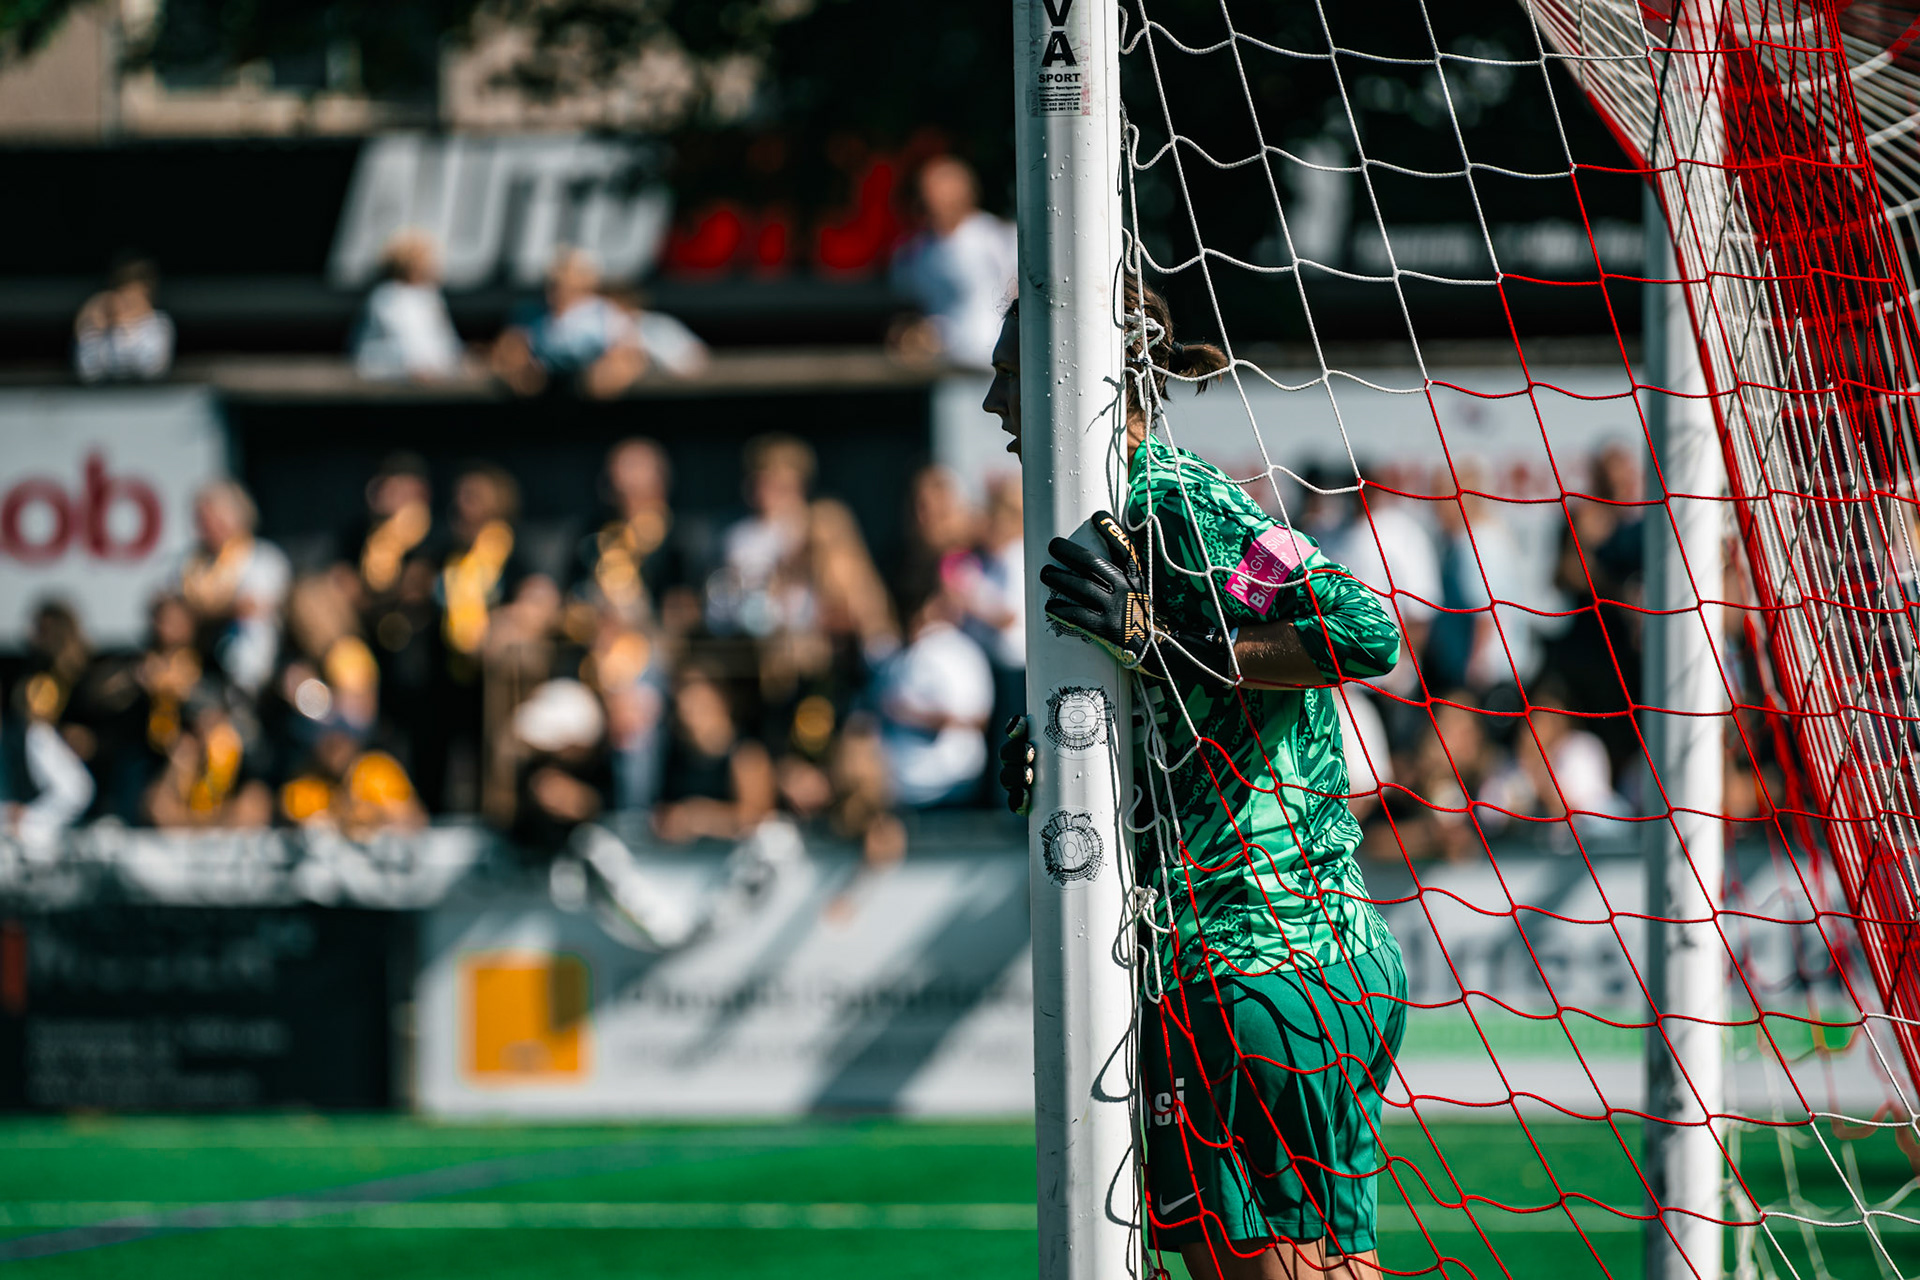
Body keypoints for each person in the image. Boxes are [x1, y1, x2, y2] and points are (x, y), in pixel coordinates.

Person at [986, 282, 1405, 1280]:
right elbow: (1174, 701)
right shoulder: (1116, 509)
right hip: (1291, 958)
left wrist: (1161, 642)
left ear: (1074, 376)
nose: (995, 405)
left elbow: (1363, 630)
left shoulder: (1170, 498)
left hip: (1256, 961)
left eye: (1008, 370)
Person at [890, 156, 1018, 368]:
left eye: (942, 186)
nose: (932, 196)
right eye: (928, 187)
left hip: (997, 367)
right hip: (945, 367)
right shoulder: (914, 253)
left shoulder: (1000, 240)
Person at [175, 479, 292, 698]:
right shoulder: (190, 564)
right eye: (201, 520)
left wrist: (204, 611)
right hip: (199, 654)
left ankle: (242, 693)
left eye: (212, 518)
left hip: (251, 663)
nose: (205, 527)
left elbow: (251, 607)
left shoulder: (262, 558)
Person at [490, 247, 646, 398]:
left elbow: (628, 361)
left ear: (587, 285)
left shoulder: (606, 317)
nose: (558, 292)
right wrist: (521, 372)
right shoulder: (530, 315)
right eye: (554, 284)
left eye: (568, 285)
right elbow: (508, 355)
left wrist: (603, 377)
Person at [351, 231, 464, 380]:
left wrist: (447, 361)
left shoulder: (430, 296)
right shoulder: (387, 296)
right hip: (390, 376)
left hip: (429, 376)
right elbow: (403, 341)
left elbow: (443, 340)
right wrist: (419, 366)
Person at [74, 258, 174, 383]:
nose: (128, 304)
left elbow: (152, 367)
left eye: (135, 299)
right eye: (125, 298)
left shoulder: (160, 323)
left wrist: (128, 330)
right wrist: (92, 324)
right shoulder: (103, 322)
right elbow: (87, 370)